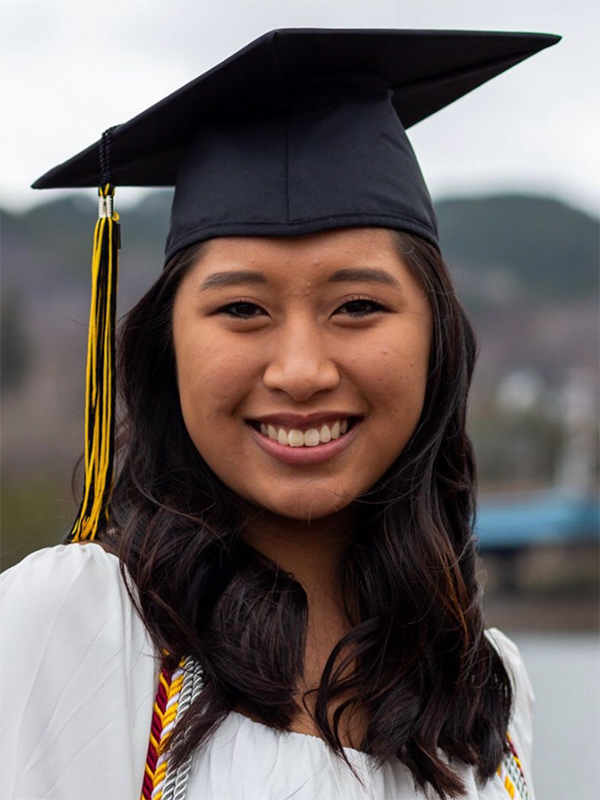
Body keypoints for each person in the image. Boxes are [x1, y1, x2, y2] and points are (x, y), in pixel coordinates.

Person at [0, 28, 559, 800]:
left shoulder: (485, 684)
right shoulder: (73, 626)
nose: (301, 372)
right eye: (242, 308)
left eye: (357, 305)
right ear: (168, 347)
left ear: (436, 340)